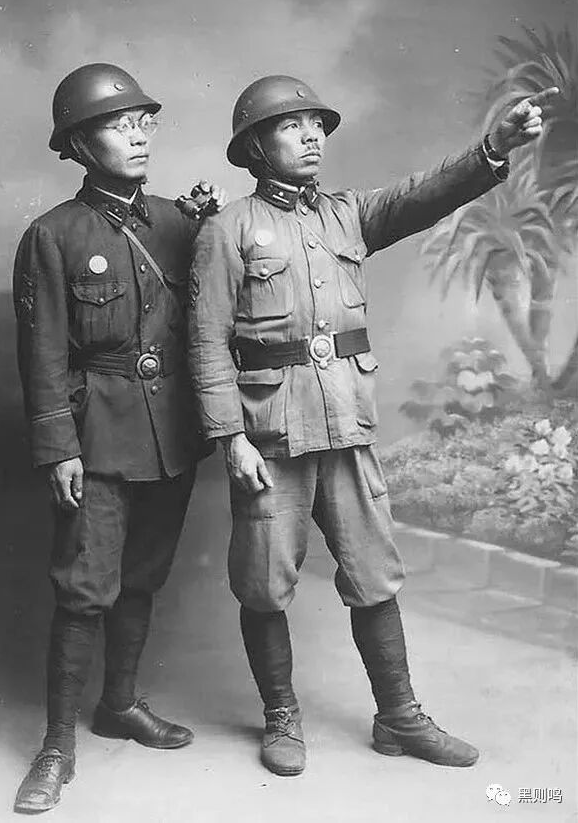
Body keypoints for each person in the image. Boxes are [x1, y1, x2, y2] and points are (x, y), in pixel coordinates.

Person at [187, 74, 558, 777]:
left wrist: (493, 146)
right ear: (255, 146)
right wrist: (229, 437)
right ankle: (281, 716)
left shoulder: (349, 214)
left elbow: (425, 193)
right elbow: (205, 343)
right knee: (264, 583)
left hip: (346, 426)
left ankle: (400, 716)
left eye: (317, 125)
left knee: (374, 575)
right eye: (292, 126)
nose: (312, 136)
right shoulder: (226, 230)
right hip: (272, 434)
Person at [12, 63, 227, 814]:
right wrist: (58, 448)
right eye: (116, 124)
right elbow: (42, 355)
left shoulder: (179, 222)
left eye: (144, 122)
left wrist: (208, 219)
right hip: (96, 439)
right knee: (84, 588)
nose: (137, 135)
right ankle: (56, 746)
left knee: (143, 576)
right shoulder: (52, 235)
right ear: (78, 144)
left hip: (171, 435)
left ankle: (121, 704)